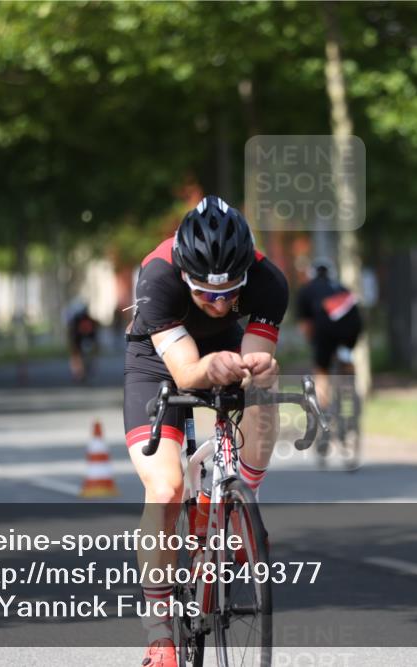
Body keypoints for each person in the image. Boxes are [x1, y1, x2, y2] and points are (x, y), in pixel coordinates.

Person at [124, 195, 286, 667]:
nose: (218, 304)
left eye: (229, 294)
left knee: (263, 385)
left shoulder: (269, 283)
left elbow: (254, 356)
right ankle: (159, 635)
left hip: (224, 349)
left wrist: (257, 367)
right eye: (205, 294)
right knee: (167, 485)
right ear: (184, 276)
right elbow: (186, 370)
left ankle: (241, 504)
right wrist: (206, 366)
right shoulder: (156, 276)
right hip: (157, 360)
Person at [296, 258, 363, 409]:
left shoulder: (307, 290)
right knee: (345, 359)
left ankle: (324, 408)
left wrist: (313, 343)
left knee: (321, 369)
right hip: (351, 330)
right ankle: (352, 396)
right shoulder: (341, 287)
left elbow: (306, 324)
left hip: (325, 331)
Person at [67, 305, 99, 382]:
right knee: (81, 357)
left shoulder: (76, 319)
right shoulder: (89, 319)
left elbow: (72, 332)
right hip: (83, 340)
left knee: (78, 357)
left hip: (81, 340)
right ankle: (81, 372)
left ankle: (79, 373)